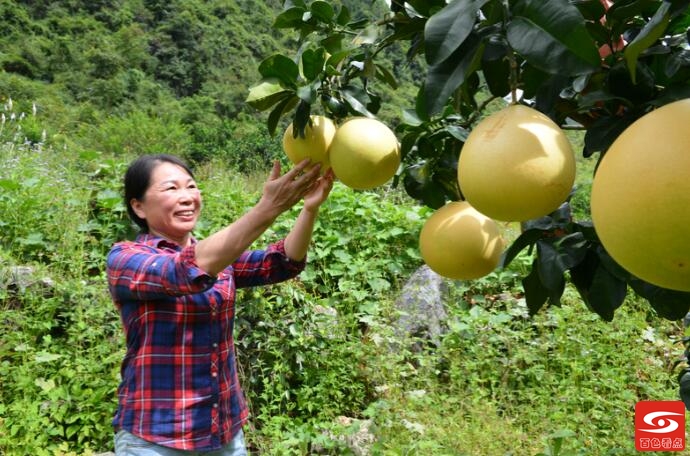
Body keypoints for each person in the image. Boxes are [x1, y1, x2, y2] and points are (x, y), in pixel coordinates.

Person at [106, 153, 334, 455]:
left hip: (222, 433)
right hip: (156, 438)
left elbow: (281, 263)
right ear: (138, 206)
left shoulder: (218, 258)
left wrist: (309, 209)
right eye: (171, 189)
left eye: (191, 186)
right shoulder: (125, 259)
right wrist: (269, 207)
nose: (187, 197)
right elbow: (183, 270)